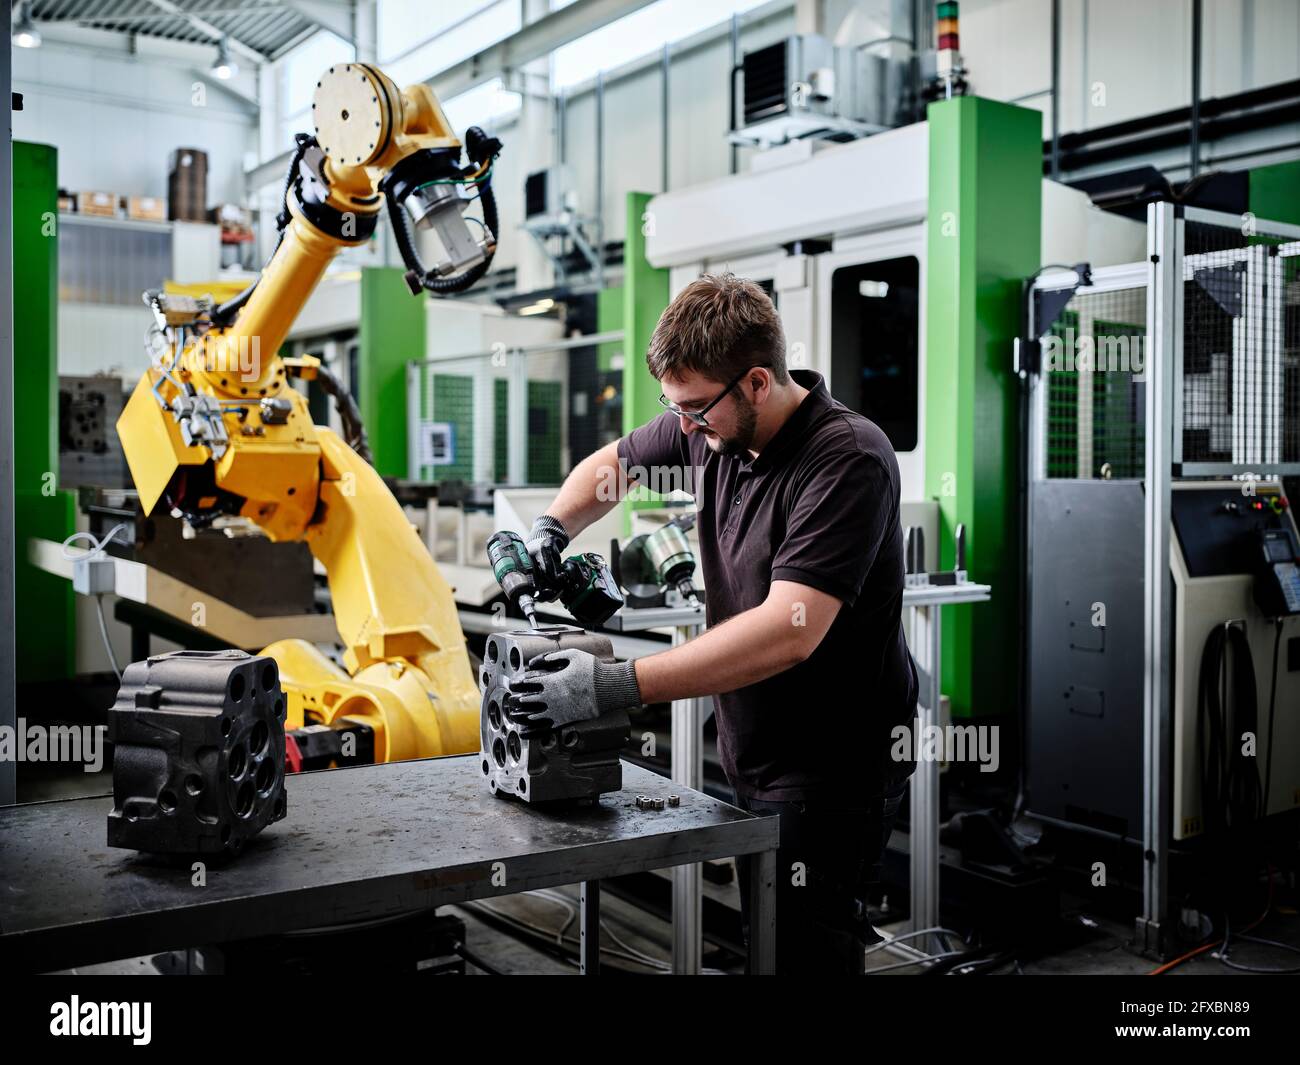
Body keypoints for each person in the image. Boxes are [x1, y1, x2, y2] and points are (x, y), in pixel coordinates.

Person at [506, 273, 917, 973]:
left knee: (806, 948)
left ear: (758, 381)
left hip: (833, 765)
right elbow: (615, 464)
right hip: (756, 746)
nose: (685, 426)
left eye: (695, 410)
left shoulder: (846, 458)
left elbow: (789, 629)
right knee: (773, 937)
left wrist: (613, 685)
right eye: (676, 409)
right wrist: (551, 526)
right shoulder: (713, 425)